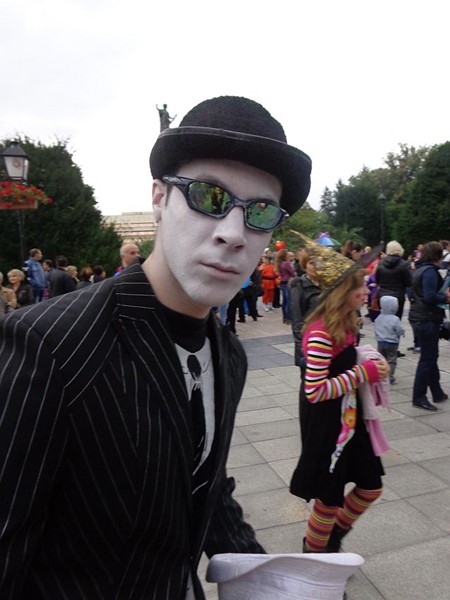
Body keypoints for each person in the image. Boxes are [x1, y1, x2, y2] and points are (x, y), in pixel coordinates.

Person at [0, 95, 312, 599]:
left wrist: (272, 581)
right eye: (209, 196)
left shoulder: (229, 355)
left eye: (260, 212)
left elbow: (203, 483)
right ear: (160, 198)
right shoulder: (50, 345)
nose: (233, 234)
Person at [290, 257, 389, 557]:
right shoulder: (321, 332)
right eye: (360, 286)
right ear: (342, 291)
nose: (366, 290)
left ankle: (328, 540)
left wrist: (371, 362)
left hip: (348, 416)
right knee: (328, 499)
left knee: (370, 487)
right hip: (326, 423)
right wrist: (363, 373)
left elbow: (346, 363)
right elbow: (315, 391)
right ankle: (316, 557)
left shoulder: (347, 321)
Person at [409, 241, 450, 411]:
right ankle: (419, 396)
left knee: (430, 356)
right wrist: (445, 298)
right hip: (427, 318)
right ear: (437, 255)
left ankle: (436, 391)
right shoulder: (430, 272)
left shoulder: (419, 269)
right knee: (427, 359)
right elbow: (430, 296)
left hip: (420, 317)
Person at [290, 254, 321, 371]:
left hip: (326, 339)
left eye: (319, 262)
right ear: (304, 265)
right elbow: (296, 318)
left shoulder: (327, 284)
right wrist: (302, 347)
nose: (316, 266)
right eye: (311, 263)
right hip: (309, 340)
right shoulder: (299, 285)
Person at [374, 296, 405, 384]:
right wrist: (401, 333)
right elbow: (399, 329)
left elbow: (376, 328)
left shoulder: (379, 317)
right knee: (391, 360)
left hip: (380, 342)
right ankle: (390, 377)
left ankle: (381, 376)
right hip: (392, 343)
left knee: (381, 359)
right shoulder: (395, 319)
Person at [275, 248, 296, 324]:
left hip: (282, 282)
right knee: (288, 300)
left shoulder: (279, 263)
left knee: (284, 301)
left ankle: (284, 317)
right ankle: (289, 317)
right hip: (287, 282)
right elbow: (292, 273)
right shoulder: (286, 263)